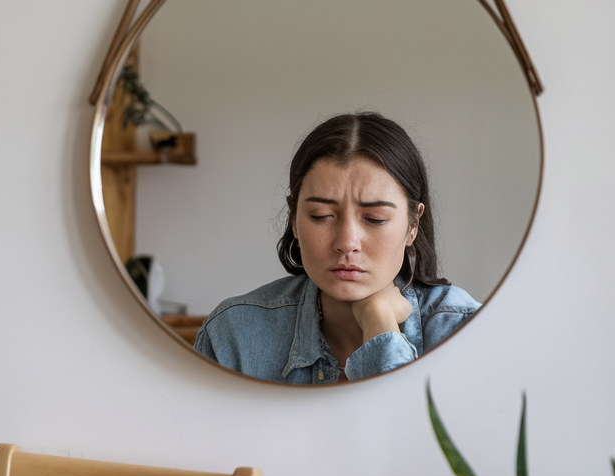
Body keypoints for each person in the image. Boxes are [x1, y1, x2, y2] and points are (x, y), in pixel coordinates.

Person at [194, 112, 480, 384]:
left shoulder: (464, 330)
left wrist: (379, 325)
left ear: (412, 226)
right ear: (294, 219)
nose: (347, 243)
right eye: (321, 216)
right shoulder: (233, 334)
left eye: (375, 219)